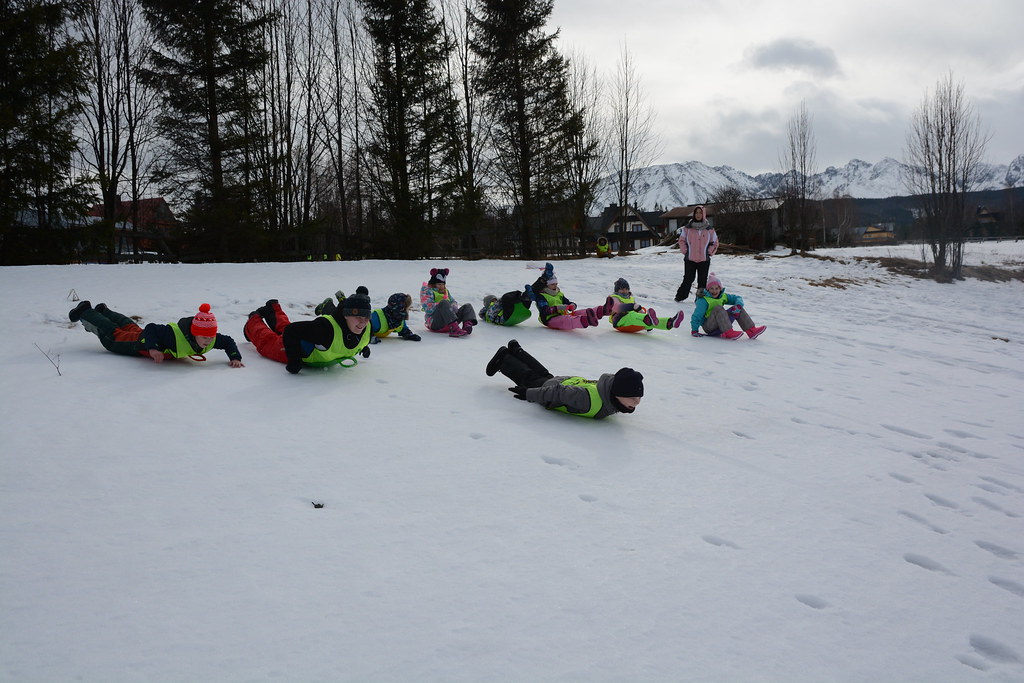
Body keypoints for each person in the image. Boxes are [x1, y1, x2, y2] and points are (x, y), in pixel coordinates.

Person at [485, 339, 644, 418]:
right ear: (617, 393)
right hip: (555, 390)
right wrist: (528, 394)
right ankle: (504, 359)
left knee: (542, 373)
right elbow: (558, 393)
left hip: (566, 381)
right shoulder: (587, 400)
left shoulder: (608, 388)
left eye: (638, 397)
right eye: (632, 397)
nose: (637, 402)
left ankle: (518, 352)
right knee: (529, 379)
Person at [68, 300, 244, 367]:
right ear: (193, 333)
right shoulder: (172, 335)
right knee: (114, 337)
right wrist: (152, 349)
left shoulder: (212, 339)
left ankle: (105, 311)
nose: (208, 340)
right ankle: (86, 312)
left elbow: (228, 341)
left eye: (211, 336)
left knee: (129, 327)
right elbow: (151, 328)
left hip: (146, 337)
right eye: (204, 337)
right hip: (141, 343)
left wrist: (235, 357)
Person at [244, 291, 372, 373]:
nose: (362, 322)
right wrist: (294, 360)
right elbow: (291, 331)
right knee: (268, 342)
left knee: (289, 329)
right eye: (358, 317)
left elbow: (353, 338)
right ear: (346, 315)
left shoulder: (366, 327)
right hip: (294, 348)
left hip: (305, 337)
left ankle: (273, 309)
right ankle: (253, 321)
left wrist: (362, 347)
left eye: (366, 317)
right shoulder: (325, 329)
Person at [316, 288, 421, 342]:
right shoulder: (377, 319)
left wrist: (409, 335)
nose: (407, 310)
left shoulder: (399, 320)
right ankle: (327, 306)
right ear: (398, 308)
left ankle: (342, 300)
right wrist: (370, 338)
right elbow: (362, 329)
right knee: (339, 319)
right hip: (353, 319)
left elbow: (403, 329)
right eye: (406, 307)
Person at [690, 272, 766, 340]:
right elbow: (697, 315)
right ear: (708, 289)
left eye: (717, 288)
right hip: (709, 326)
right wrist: (694, 330)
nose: (714, 291)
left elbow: (737, 298)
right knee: (718, 308)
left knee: (738, 308)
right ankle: (728, 332)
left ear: (720, 289)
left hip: (721, 323)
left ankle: (751, 330)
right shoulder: (704, 300)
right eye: (711, 289)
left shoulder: (723, 296)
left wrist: (738, 305)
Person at [531, 262, 605, 330]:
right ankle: (586, 320)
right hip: (550, 319)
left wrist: (572, 305)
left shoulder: (559, 294)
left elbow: (567, 302)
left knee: (576, 313)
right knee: (566, 320)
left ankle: (598, 312)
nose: (555, 286)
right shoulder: (541, 296)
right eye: (552, 284)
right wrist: (558, 308)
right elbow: (544, 311)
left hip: (563, 314)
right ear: (546, 286)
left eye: (556, 284)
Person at [603, 278, 685, 333]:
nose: (625, 291)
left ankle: (669, 322)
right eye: (622, 289)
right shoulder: (614, 298)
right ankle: (647, 320)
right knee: (631, 315)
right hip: (618, 321)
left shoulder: (630, 298)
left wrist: (641, 312)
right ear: (617, 290)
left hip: (631, 322)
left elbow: (636, 309)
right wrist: (632, 306)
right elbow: (617, 307)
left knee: (647, 316)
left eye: (626, 289)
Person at [675, 205, 718, 302]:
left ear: (703, 214)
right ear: (694, 214)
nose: (698, 215)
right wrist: (685, 251)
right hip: (690, 259)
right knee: (688, 279)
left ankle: (700, 300)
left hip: (704, 259)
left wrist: (709, 252)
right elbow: (681, 240)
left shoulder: (709, 229)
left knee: (702, 281)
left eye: (700, 213)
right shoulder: (687, 228)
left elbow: (715, 242)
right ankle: (680, 297)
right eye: (696, 213)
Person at [420, 267, 477, 337]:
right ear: (433, 284)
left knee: (468, 306)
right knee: (444, 302)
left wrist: (453, 306)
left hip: (449, 320)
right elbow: (428, 308)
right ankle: (454, 329)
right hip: (435, 322)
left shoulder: (445, 291)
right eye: (439, 284)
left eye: (442, 284)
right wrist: (444, 306)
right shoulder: (427, 291)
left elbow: (453, 301)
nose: (441, 286)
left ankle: (467, 326)